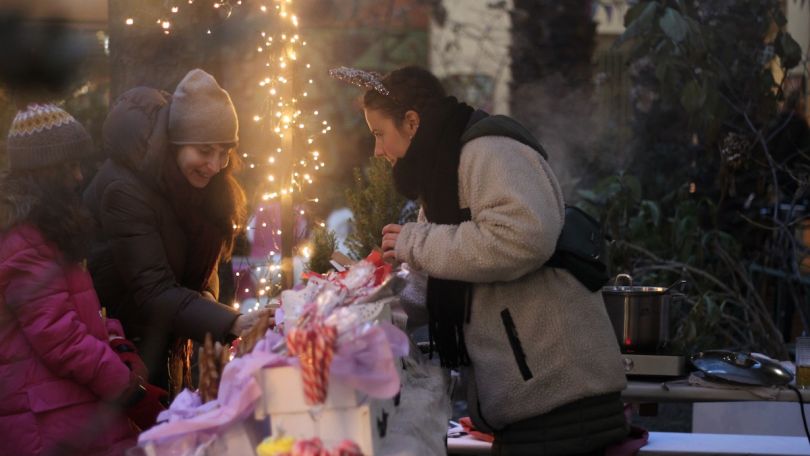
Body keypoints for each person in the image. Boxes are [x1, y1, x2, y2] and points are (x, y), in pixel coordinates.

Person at [347, 65, 628, 455]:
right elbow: (438, 271)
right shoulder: (443, 174)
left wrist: (416, 240)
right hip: (529, 413)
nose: (377, 150)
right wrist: (364, 307)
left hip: (564, 408)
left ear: (411, 122)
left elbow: (524, 237)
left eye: (379, 134)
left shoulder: (490, 151)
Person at [83, 69, 265, 395]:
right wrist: (231, 322)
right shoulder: (124, 190)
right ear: (175, 144)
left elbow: (199, 263)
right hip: (125, 349)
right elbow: (153, 290)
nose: (215, 165)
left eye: (224, 153)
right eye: (205, 151)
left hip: (167, 340)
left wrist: (207, 300)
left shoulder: (201, 184)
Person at [0, 103, 143, 455]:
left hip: (63, 407)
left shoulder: (44, 230)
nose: (80, 177)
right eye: (70, 167)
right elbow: (59, 336)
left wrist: (112, 335)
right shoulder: (24, 240)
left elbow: (68, 311)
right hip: (46, 419)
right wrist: (120, 381)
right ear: (44, 172)